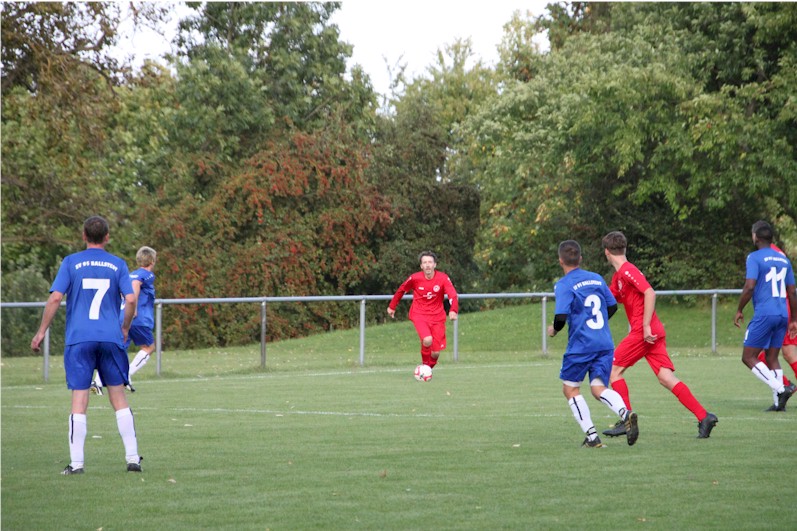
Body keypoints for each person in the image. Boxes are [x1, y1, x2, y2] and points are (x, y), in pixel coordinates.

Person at [30, 215, 143, 475]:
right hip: (110, 338)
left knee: (79, 399)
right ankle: (133, 458)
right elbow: (131, 299)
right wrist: (124, 327)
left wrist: (40, 332)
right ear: (107, 237)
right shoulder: (118, 264)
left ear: (83, 236)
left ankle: (77, 464)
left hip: (80, 338)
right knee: (118, 397)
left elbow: (56, 297)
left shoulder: (71, 262)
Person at [601, 231, 718, 439]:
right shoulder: (619, 276)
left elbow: (650, 292)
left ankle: (626, 420)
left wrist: (645, 326)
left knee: (613, 371)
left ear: (607, 252)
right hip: (653, 332)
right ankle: (704, 417)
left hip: (643, 331)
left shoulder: (628, 271)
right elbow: (611, 298)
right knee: (666, 377)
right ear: (624, 249)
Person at [547, 240, 638, 448]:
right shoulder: (596, 279)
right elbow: (612, 306)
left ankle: (592, 437)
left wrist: (553, 330)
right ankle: (625, 413)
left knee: (570, 390)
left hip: (581, 346)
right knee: (598, 388)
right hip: (604, 343)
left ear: (561, 261)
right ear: (580, 259)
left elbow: (560, 316)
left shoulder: (564, 284)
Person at [733, 221, 797, 411]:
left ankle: (781, 388)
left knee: (748, 356)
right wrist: (794, 319)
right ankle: (779, 404)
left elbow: (750, 286)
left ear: (755, 237)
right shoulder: (784, 260)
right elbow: (792, 292)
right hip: (782, 314)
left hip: (765, 313)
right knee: (772, 357)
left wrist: (739, 309)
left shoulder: (754, 257)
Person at [92, 246, 157, 394]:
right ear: (152, 261)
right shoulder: (147, 275)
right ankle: (126, 375)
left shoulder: (130, 274)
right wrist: (133, 308)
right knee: (148, 347)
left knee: (117, 349)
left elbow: (122, 291)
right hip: (137, 318)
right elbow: (135, 286)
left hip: (123, 317)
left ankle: (97, 382)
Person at [387, 251, 459, 374]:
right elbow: (401, 290)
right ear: (421, 266)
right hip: (419, 314)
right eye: (424, 262)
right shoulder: (415, 278)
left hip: (437, 317)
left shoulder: (443, 278)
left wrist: (453, 310)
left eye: (430, 262)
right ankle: (425, 368)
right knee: (427, 340)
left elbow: (452, 294)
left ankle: (426, 371)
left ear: (435, 264)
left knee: (436, 353)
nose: (427, 265)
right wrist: (392, 306)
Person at [757, 242, 797, 411]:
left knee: (759, 356)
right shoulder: (776, 253)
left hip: (779, 308)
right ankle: (785, 386)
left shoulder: (769, 253)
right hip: (779, 308)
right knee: (763, 356)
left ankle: (785, 387)